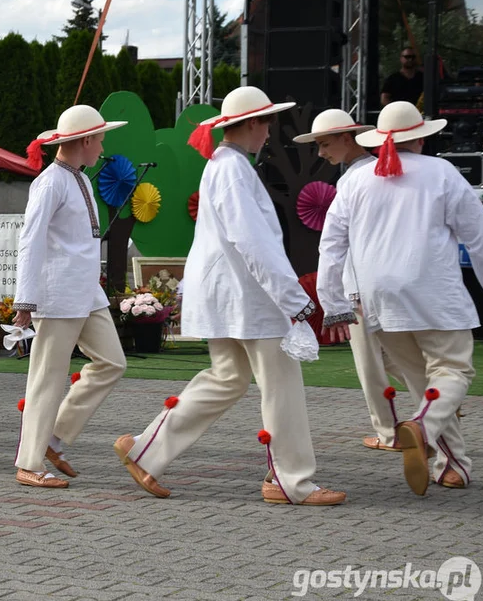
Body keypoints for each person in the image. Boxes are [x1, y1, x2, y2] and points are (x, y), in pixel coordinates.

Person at [115, 86, 346, 506]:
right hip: (247, 297)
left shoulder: (224, 165)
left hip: (231, 295)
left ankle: (145, 450)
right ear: (253, 124)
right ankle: (291, 480)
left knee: (227, 378)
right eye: (268, 121)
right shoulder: (234, 169)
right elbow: (253, 242)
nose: (270, 131)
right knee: (280, 384)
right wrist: (294, 300)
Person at [317, 101, 483, 495]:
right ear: (420, 135)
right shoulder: (442, 172)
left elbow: (330, 246)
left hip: (378, 298)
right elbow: (481, 238)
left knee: (423, 385)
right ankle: (422, 429)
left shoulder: (357, 180)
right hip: (433, 292)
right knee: (454, 371)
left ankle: (453, 466)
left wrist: (334, 304)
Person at [10, 105, 129, 489]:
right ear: (87, 140)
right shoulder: (49, 183)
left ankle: (54, 439)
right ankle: (29, 462)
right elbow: (29, 242)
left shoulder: (81, 178)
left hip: (86, 292)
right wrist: (25, 301)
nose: (103, 146)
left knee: (112, 362)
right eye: (101, 138)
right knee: (47, 378)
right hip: (57, 293)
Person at [294, 109, 419, 453]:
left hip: (360, 285)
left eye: (324, 144)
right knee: (395, 356)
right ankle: (439, 398)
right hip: (387, 279)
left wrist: (330, 294)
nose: (320, 152)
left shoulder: (356, 178)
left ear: (347, 138)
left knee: (371, 361)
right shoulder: (385, 170)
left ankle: (390, 432)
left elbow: (334, 242)